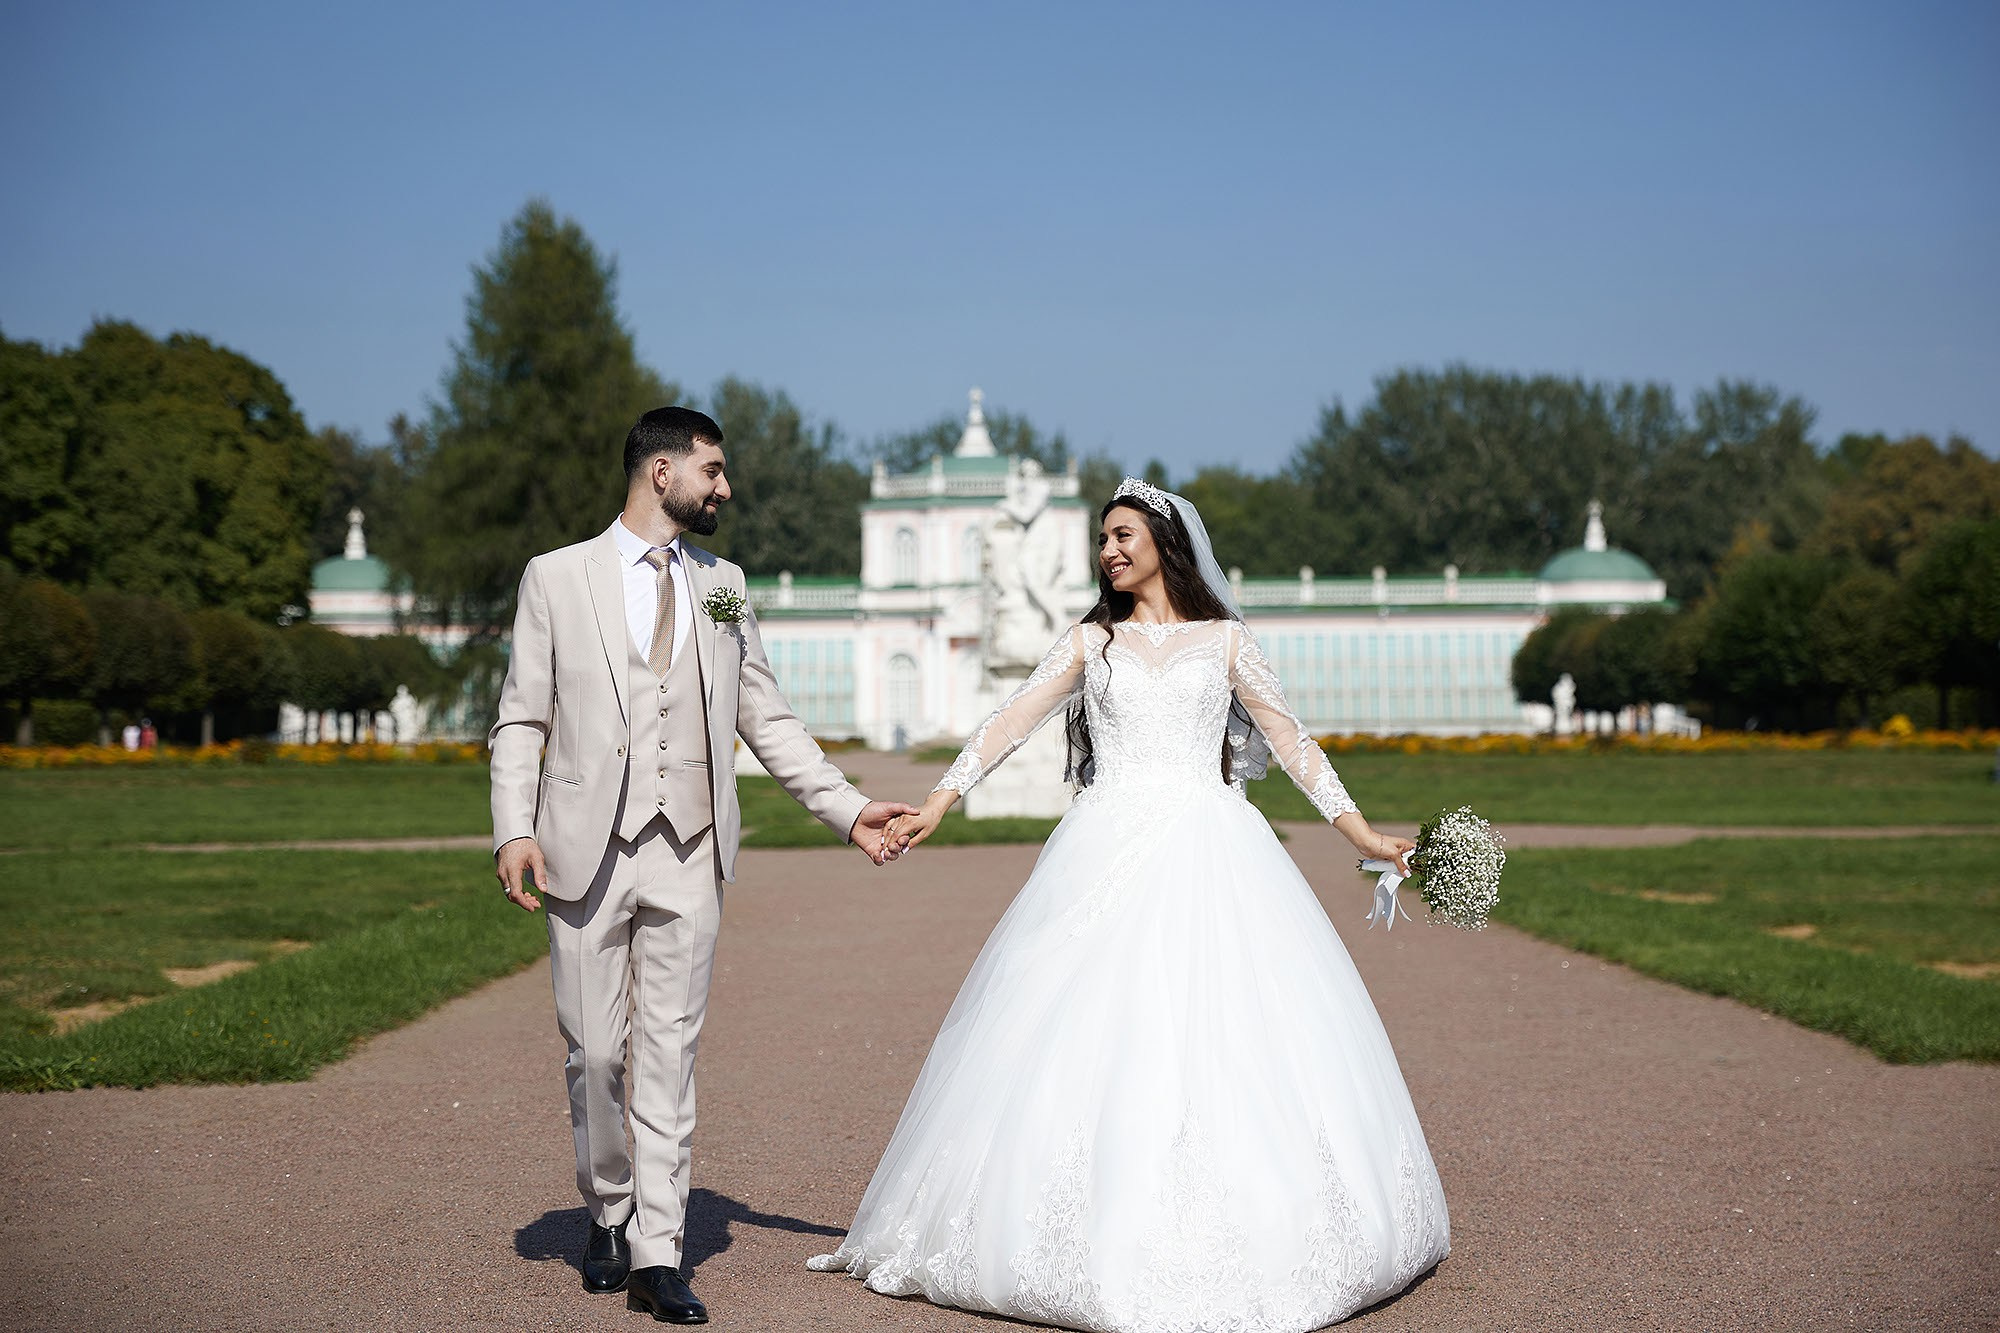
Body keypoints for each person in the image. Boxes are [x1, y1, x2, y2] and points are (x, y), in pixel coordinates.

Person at [808, 477, 1449, 1332]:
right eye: (1103, 538)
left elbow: (1292, 740)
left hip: (1213, 846)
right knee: (1079, 1027)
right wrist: (940, 798)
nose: (1108, 550)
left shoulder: (1225, 643)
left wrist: (1362, 835)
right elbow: (1010, 719)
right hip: (1102, 844)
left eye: (1122, 534)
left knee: (1229, 1032)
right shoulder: (1090, 642)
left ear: (1164, 541)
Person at [490, 405, 917, 1326]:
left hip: (690, 846)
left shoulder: (724, 586)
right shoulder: (556, 578)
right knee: (596, 1049)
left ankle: (658, 1250)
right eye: (713, 471)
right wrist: (511, 828)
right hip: (582, 846)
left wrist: (848, 810)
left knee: (670, 1054)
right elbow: (521, 716)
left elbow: (766, 717)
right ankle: (605, 1205)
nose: (725, 487)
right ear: (661, 473)